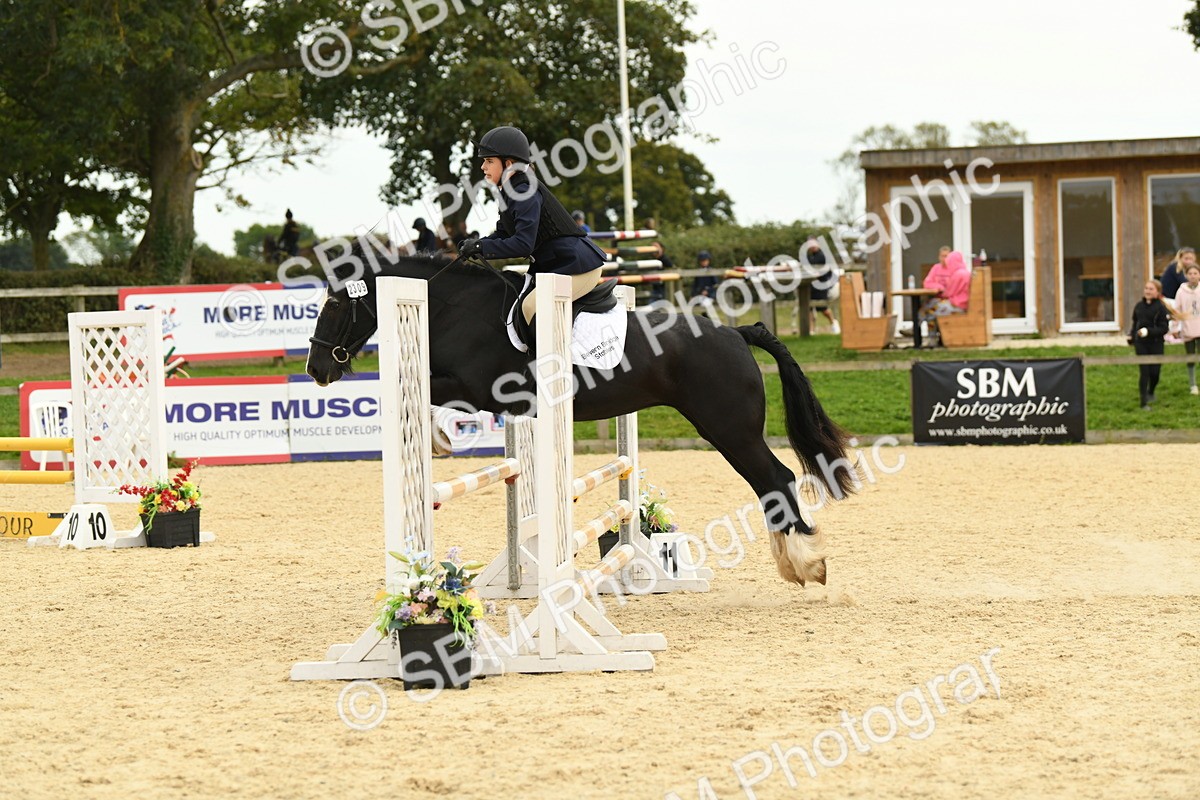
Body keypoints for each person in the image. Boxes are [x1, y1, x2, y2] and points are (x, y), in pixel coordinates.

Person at [459, 126, 607, 324]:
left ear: (509, 164)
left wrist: (482, 247)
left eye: (489, 161)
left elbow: (523, 244)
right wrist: (477, 245)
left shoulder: (525, 191)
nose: (483, 167)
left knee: (531, 308)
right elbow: (503, 233)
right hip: (556, 265)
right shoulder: (511, 191)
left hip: (579, 268)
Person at [1128, 279, 1170, 409]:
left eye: (1151, 289)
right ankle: (1143, 402)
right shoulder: (1139, 306)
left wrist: (1149, 332)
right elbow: (1135, 323)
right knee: (1144, 372)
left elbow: (1164, 329)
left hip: (1156, 344)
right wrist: (1132, 336)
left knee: (1155, 373)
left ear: (1158, 292)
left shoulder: (1161, 309)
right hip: (1141, 344)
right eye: (1146, 288)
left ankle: (1151, 391)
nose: (1148, 291)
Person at [919, 249, 971, 346]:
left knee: (929, 310)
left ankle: (923, 331)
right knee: (931, 305)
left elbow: (948, 293)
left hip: (957, 305)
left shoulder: (958, 274)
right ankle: (931, 336)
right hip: (960, 304)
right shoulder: (964, 272)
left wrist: (941, 291)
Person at [804, 237, 840, 335]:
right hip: (812, 285)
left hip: (822, 285)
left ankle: (834, 323)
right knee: (809, 308)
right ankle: (811, 330)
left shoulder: (822, 256)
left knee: (823, 308)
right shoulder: (810, 257)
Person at [1174, 263, 1200, 395]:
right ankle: (1193, 385)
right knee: (1191, 358)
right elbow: (1177, 311)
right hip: (1188, 330)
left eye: (1195, 273)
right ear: (1186, 275)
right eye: (1190, 273)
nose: (1193, 276)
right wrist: (1174, 328)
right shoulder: (1181, 292)